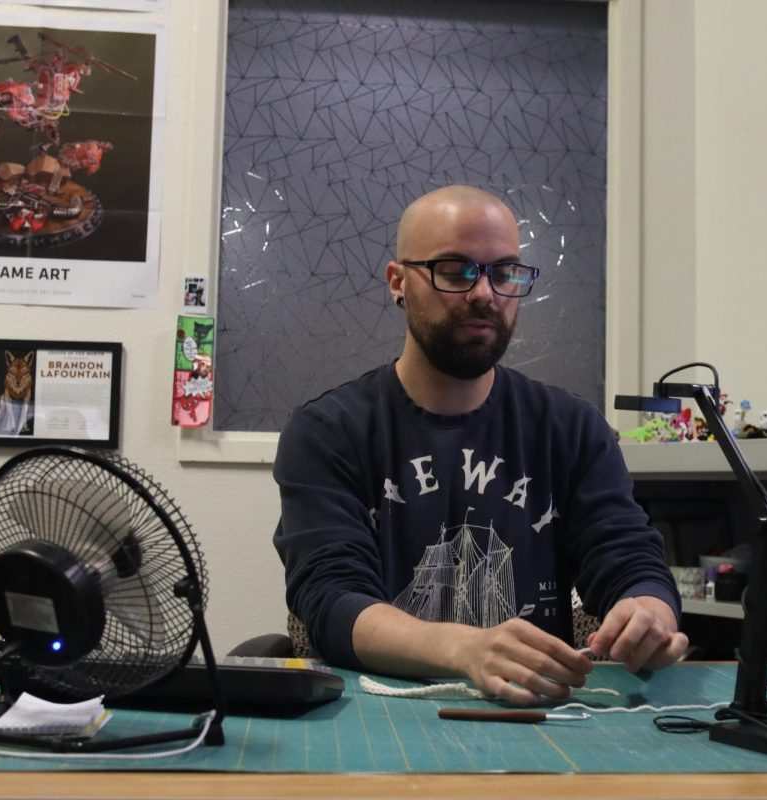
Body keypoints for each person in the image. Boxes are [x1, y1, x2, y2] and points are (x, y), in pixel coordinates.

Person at [273, 185, 687, 706]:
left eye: (505, 272)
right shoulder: (329, 431)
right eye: (455, 270)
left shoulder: (571, 428)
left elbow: (627, 554)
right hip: (376, 709)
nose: (484, 294)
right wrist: (467, 649)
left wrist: (648, 609)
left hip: (535, 712)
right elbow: (331, 601)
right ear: (398, 283)